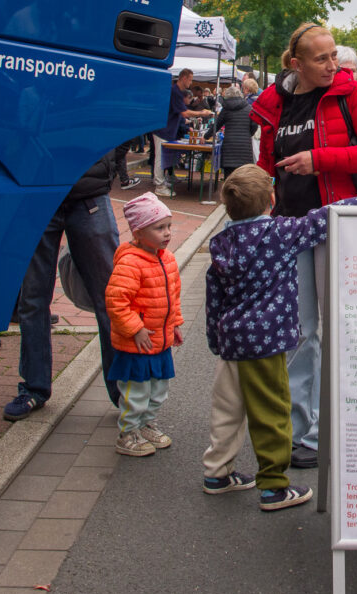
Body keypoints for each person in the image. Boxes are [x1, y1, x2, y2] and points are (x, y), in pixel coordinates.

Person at [202, 165, 357, 509]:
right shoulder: (279, 233)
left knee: (227, 410)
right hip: (266, 344)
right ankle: (273, 487)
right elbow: (324, 217)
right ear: (272, 200)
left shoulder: (221, 244)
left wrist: (216, 341)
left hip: (232, 342)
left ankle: (216, 473)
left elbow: (213, 299)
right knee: (272, 414)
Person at [252, 22, 357, 469]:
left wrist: (319, 160)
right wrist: (264, 189)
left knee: (338, 329)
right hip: (292, 226)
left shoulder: (350, 94)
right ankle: (300, 429)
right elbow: (266, 160)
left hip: (338, 224)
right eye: (321, 59)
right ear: (296, 64)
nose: (333, 65)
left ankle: (334, 429)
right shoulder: (274, 100)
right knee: (300, 331)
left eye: (334, 56)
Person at [4, 156, 123, 420]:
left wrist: (109, 165)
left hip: (88, 192)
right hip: (37, 191)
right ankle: (34, 387)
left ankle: (124, 391)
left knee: (112, 296)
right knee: (32, 298)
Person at [104, 192, 184, 456]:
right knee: (135, 392)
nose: (167, 233)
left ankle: (148, 424)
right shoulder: (129, 263)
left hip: (160, 341)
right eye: (159, 227)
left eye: (169, 226)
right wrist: (135, 328)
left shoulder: (167, 259)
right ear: (138, 232)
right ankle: (128, 433)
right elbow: (116, 302)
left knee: (158, 388)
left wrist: (175, 324)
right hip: (136, 343)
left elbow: (174, 296)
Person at [153, 68, 213, 197]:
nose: (191, 83)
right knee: (161, 158)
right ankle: (159, 185)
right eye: (190, 80)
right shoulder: (176, 92)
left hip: (167, 130)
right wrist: (202, 112)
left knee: (164, 157)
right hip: (163, 130)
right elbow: (184, 113)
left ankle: (162, 181)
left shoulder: (176, 91)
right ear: (184, 78)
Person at [214, 85, 257, 179]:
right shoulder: (249, 108)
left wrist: (205, 137)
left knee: (229, 177)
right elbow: (254, 125)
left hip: (229, 146)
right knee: (243, 178)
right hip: (245, 147)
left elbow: (216, 126)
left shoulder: (225, 109)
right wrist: (248, 134)